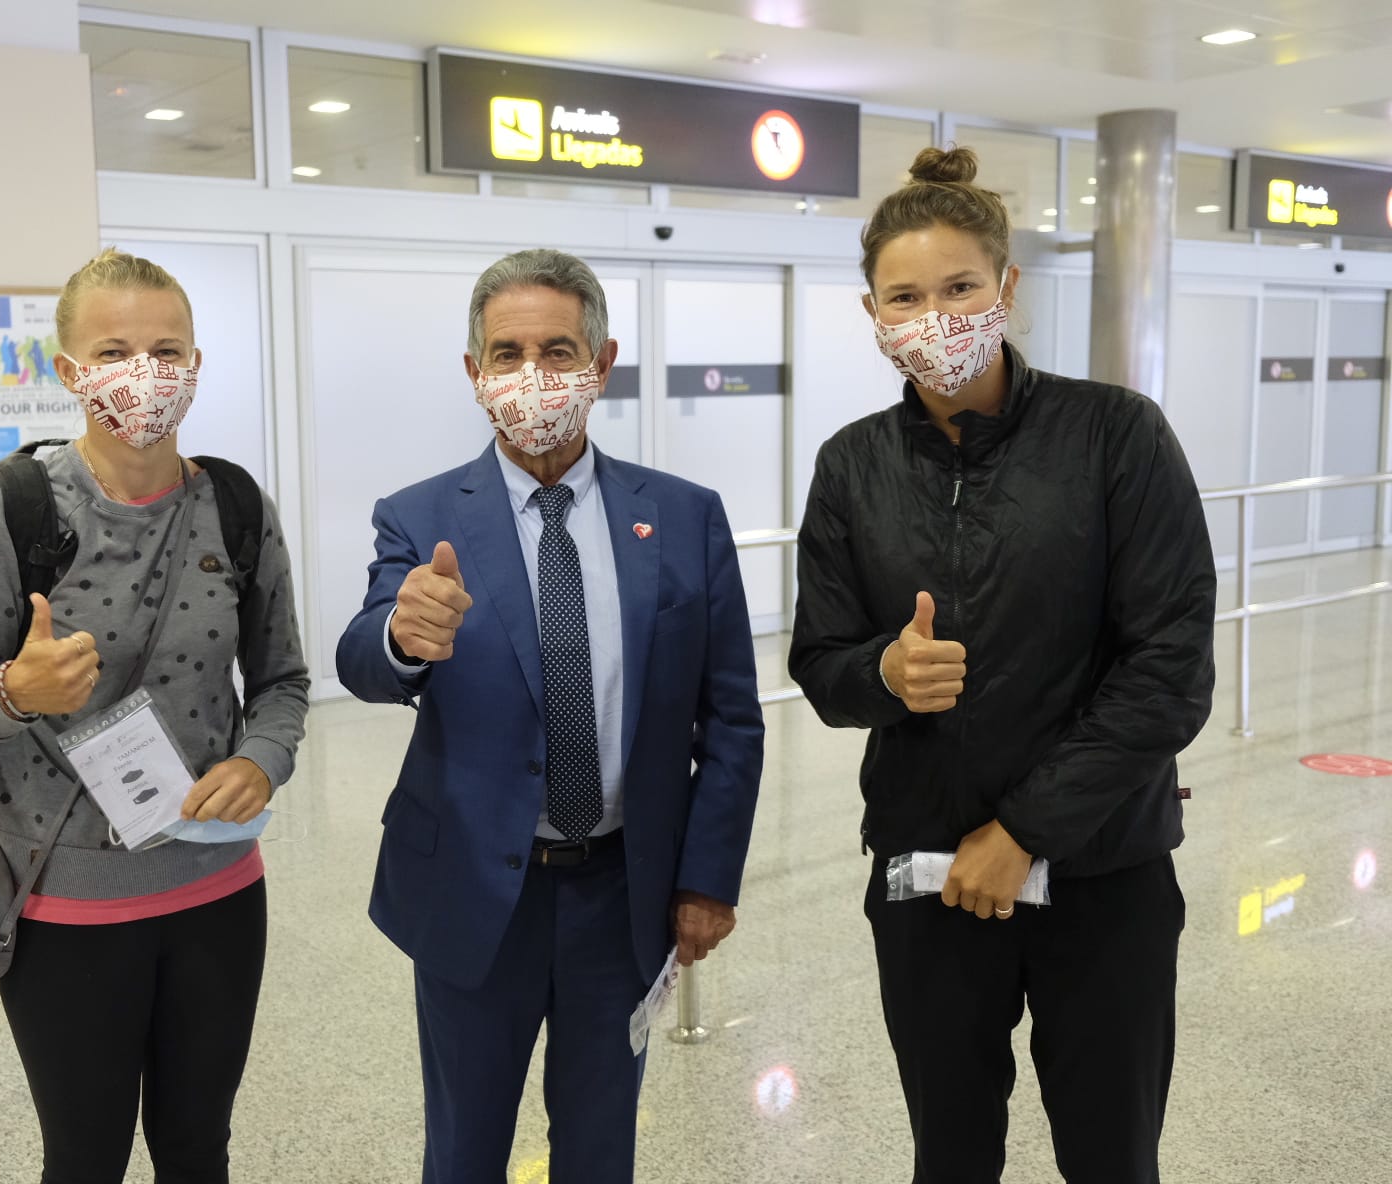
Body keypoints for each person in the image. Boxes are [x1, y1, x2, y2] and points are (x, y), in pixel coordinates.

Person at [787, 147, 1217, 1184]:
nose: (933, 315)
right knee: (951, 1154)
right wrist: (882, 674)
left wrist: (1023, 831)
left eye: (960, 287)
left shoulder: (1115, 436)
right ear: (873, 311)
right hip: (928, 880)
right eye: (905, 295)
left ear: (1007, 287)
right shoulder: (853, 466)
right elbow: (821, 660)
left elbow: (1170, 670)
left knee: (1112, 1152)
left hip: (1103, 872)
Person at [336, 248, 764, 1183]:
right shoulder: (418, 515)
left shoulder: (685, 516)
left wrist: (706, 880)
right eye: (507, 352)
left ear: (602, 363)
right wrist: (405, 637)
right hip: (474, 894)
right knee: (465, 1149)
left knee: (601, 1148)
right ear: (474, 373)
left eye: (558, 350)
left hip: (624, 891)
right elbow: (365, 657)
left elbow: (732, 717)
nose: (533, 376)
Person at [0, 247, 309, 1184]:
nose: (146, 373)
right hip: (64, 905)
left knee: (198, 1148)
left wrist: (263, 758)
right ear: (69, 372)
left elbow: (284, 681)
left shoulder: (237, 508)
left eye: (168, 349)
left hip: (217, 887)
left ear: (198, 366)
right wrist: (13, 693)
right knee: (84, 1157)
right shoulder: (8, 513)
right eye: (116, 349)